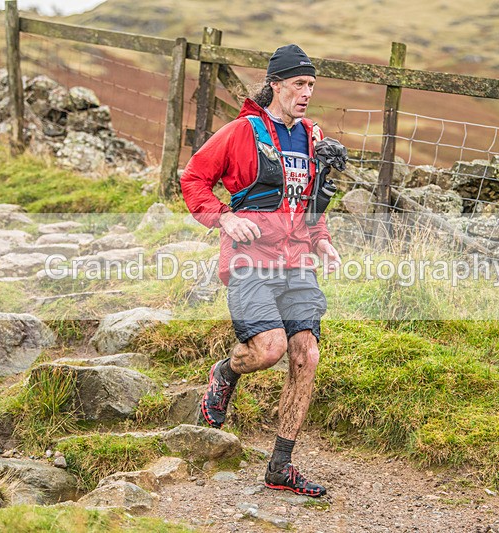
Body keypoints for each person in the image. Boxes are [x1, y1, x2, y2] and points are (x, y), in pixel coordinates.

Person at [180, 44, 346, 497]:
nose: (307, 92)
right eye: (299, 84)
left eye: (312, 85)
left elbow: (312, 201)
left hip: (296, 262)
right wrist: (224, 217)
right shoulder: (241, 132)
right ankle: (226, 373)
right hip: (250, 259)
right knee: (268, 349)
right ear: (276, 85)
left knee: (305, 354)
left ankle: (280, 466)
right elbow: (193, 178)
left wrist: (323, 240)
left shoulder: (313, 137)